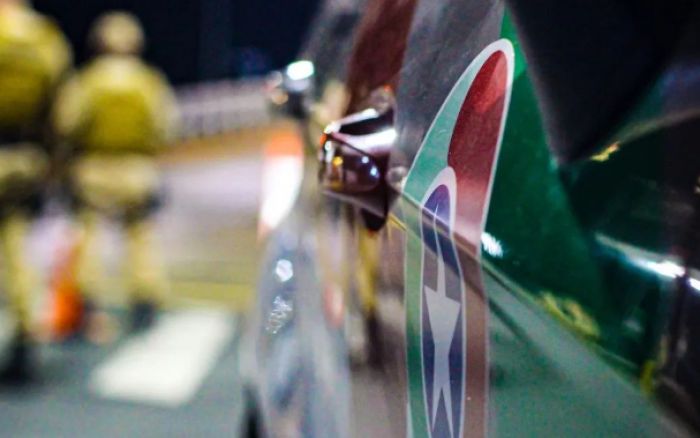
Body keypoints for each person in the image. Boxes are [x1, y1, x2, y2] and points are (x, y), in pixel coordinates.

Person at [52, 12, 177, 336]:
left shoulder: (88, 81)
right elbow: (166, 127)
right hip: (138, 169)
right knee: (141, 237)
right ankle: (145, 300)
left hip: (93, 168)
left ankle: (88, 303)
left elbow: (66, 124)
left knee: (88, 234)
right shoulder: (149, 82)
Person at [0, 0, 71, 381]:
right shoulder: (44, 38)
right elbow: (64, 112)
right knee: (16, 247)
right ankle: (26, 332)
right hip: (23, 158)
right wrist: (53, 162)